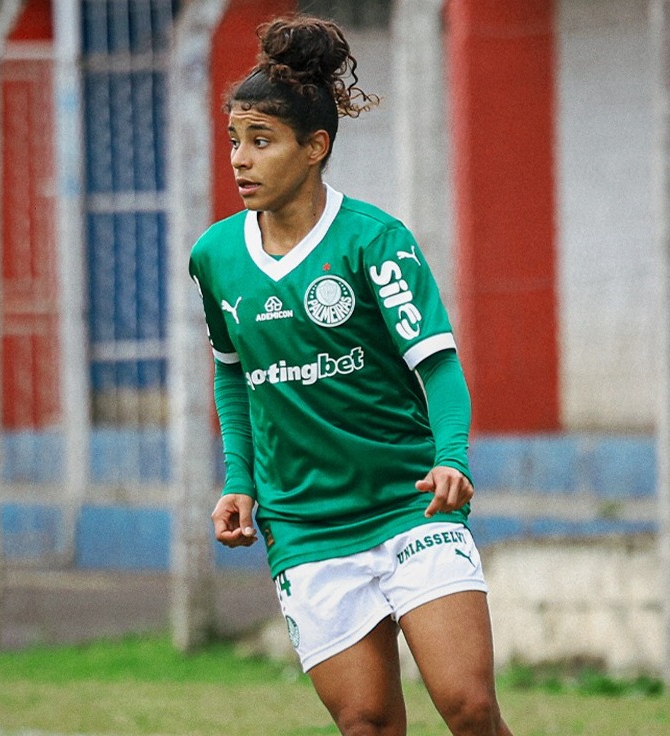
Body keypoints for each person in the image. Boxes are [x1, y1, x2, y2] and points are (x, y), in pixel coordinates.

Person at [188, 15, 514, 736]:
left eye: (261, 141)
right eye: (235, 141)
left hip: (408, 506)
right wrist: (239, 480)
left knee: (468, 703)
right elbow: (233, 378)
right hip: (304, 525)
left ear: (315, 148)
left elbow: (438, 363)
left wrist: (451, 459)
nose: (240, 160)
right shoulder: (215, 256)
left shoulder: (376, 241)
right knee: (366, 722)